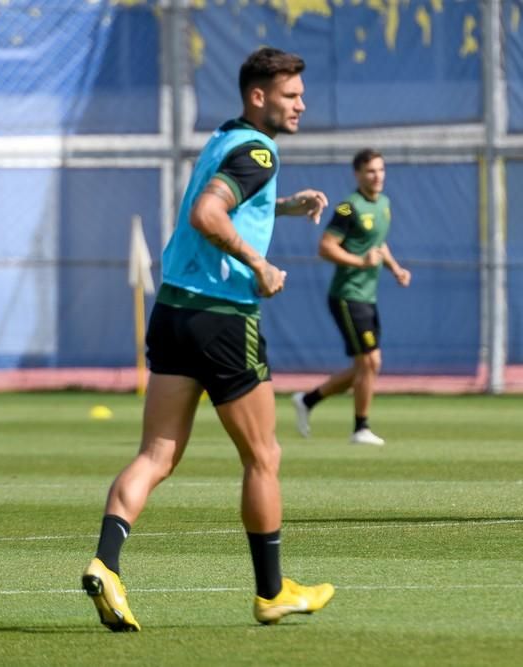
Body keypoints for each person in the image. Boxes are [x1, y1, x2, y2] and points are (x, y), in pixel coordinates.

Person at [81, 47, 334, 632]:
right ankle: (272, 592)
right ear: (258, 96)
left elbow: (228, 203)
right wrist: (260, 265)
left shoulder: (226, 137)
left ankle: (106, 563)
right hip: (223, 320)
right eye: (291, 95)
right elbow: (206, 213)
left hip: (172, 310)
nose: (302, 104)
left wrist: (284, 207)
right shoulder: (258, 149)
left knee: (156, 455)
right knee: (263, 456)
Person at [291, 149, 411, 446]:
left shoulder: (384, 204)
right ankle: (361, 428)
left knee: (366, 366)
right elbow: (325, 246)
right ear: (357, 174)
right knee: (371, 361)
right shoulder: (348, 207)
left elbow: (378, 244)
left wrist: (395, 268)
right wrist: (361, 262)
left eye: (381, 170)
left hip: (367, 296)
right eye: (370, 171)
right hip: (347, 295)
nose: (377, 176)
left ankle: (308, 399)